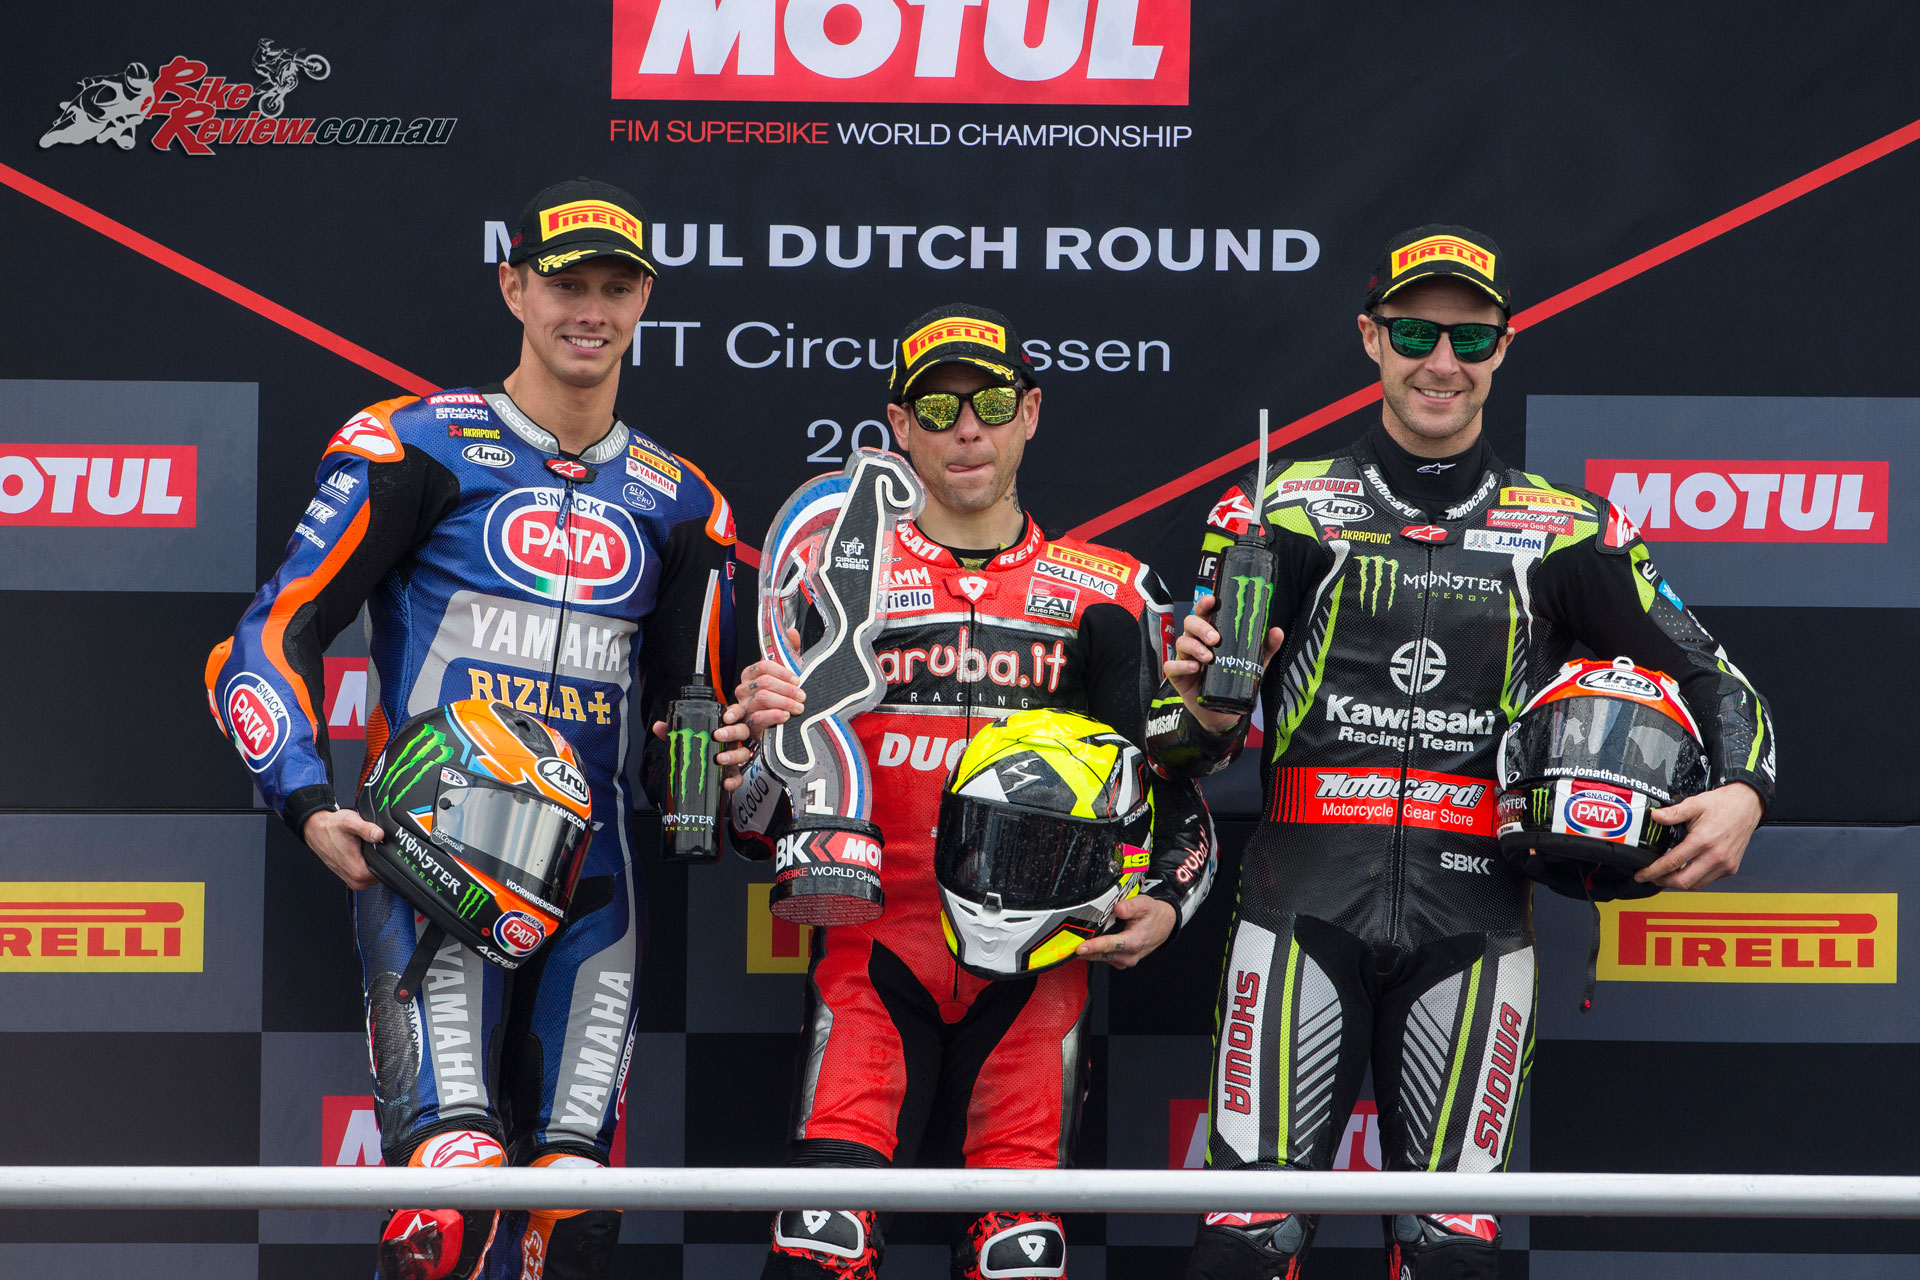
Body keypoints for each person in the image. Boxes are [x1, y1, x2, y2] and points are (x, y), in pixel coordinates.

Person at [1150, 226, 1776, 1280]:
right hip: (1299, 904)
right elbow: (1181, 746)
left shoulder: (1568, 530)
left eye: (1469, 338)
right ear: (1371, 339)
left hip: (1478, 919)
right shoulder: (1278, 509)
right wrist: (1199, 716)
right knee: (1246, 1242)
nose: (1441, 361)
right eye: (1414, 333)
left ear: (1503, 346)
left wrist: (1747, 790)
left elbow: (1714, 676)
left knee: (1451, 1252)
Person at [204, 178, 746, 1280]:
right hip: (427, 865)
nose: (590, 310)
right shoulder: (416, 446)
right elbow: (269, 636)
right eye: (566, 284)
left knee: (574, 1219)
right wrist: (306, 800)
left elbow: (683, 724)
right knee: (449, 1211)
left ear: (644, 301)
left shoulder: (687, 504)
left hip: (595, 882)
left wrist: (727, 768)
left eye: (616, 287)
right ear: (513, 288)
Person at [729, 303, 1219, 1280]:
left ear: (1029, 412)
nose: (966, 429)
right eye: (937, 407)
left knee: (1017, 1258)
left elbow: (1173, 792)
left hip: (1039, 973)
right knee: (817, 1248)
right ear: (898, 426)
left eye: (990, 403)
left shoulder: (1107, 591)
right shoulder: (831, 577)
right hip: (872, 951)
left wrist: (1167, 900)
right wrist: (750, 763)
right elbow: (754, 830)